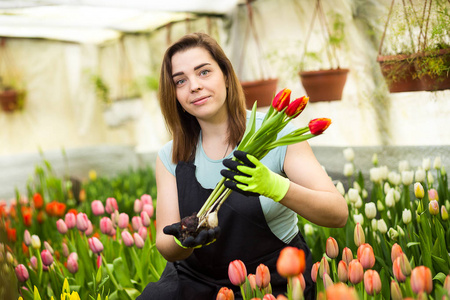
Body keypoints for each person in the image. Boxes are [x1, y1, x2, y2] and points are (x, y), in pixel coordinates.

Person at [137, 32, 348, 300]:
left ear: (225, 74)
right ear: (174, 94)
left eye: (203, 72)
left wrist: (274, 185)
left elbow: (337, 213)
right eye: (180, 81)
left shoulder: (276, 133)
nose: (194, 86)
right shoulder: (171, 155)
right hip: (194, 281)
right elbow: (165, 245)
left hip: (270, 279)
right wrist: (183, 239)